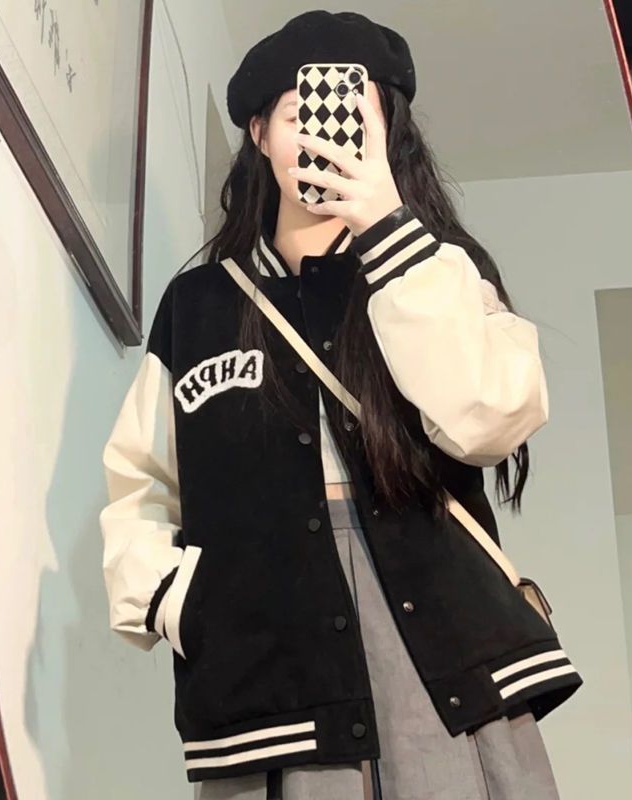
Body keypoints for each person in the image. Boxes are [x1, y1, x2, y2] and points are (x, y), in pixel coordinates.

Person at [99, 10, 583, 799]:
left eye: (354, 114)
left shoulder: (441, 270)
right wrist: (178, 602)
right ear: (259, 133)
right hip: (267, 665)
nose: (322, 133)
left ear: (387, 133)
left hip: (443, 654)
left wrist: (389, 230)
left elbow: (492, 416)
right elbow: (139, 483)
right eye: (299, 113)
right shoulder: (198, 305)